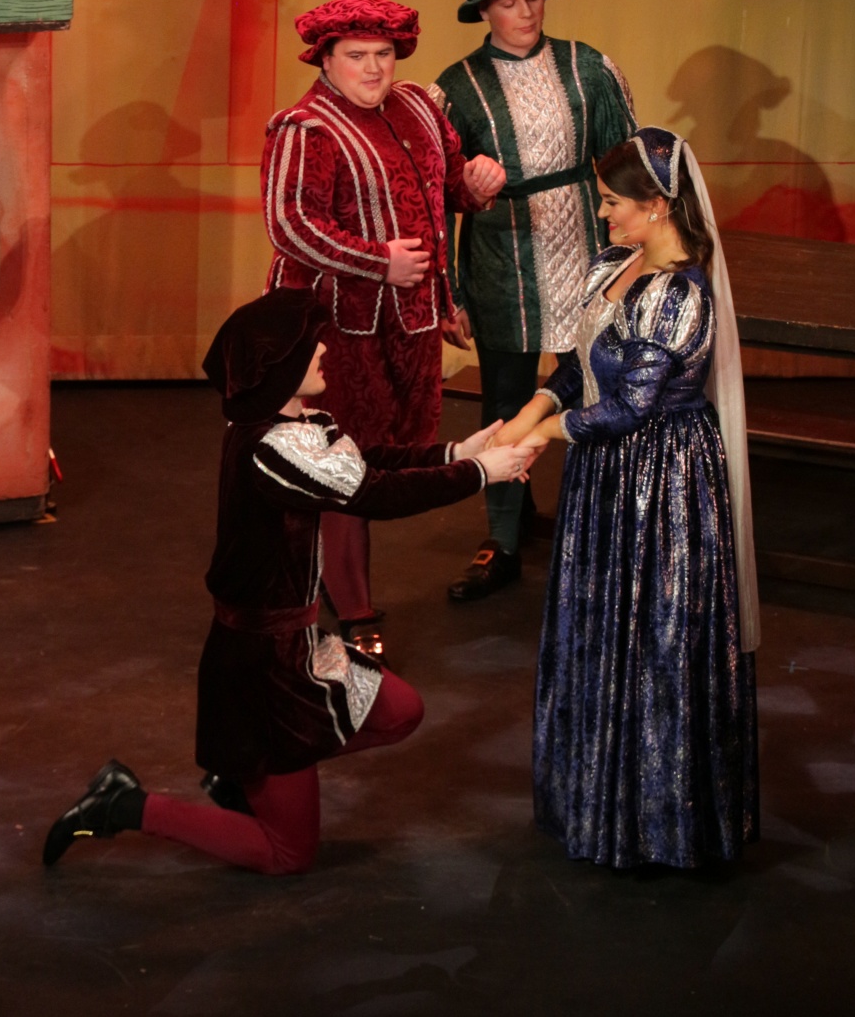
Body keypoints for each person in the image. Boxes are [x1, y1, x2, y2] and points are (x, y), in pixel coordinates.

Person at [42, 288, 533, 876]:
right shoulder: (270, 449)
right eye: (309, 345)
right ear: (276, 366)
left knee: (401, 711)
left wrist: (455, 451)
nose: (324, 349)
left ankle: (245, 776)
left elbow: (367, 463)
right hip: (263, 668)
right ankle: (125, 804)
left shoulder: (297, 425)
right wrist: (478, 473)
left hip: (297, 647)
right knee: (289, 854)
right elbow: (374, 494)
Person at [498, 127, 760, 869]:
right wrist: (520, 421)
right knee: (600, 629)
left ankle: (655, 824)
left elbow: (630, 408)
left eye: (614, 202)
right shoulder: (613, 264)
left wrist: (541, 438)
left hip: (661, 482)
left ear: (658, 205)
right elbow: (577, 371)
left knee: (654, 639)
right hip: (604, 477)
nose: (604, 213)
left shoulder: (681, 295)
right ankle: (595, 803)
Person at [261, 0, 505, 658]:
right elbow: (290, 225)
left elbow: (443, 194)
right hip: (333, 330)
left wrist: (478, 185)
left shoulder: (419, 107)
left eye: (384, 54)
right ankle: (353, 606)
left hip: (410, 323)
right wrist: (378, 262)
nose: (373, 68)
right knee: (340, 462)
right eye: (357, 56)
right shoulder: (305, 128)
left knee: (385, 459)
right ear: (326, 60)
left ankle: (337, 586)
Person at [429, 0, 636, 601]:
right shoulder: (458, 87)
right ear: (484, 10)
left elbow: (625, 163)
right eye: (509, 2)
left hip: (583, 245)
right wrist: (448, 291)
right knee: (507, 397)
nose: (525, 12)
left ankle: (600, 530)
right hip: (502, 256)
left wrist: (635, 256)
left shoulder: (587, 67)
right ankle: (504, 538)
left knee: (599, 390)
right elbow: (434, 197)